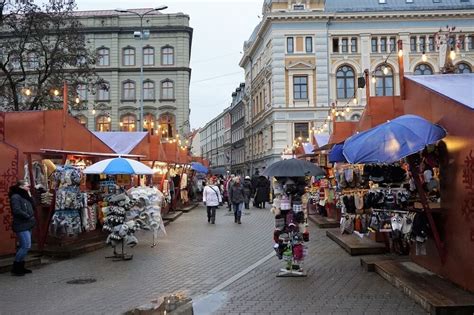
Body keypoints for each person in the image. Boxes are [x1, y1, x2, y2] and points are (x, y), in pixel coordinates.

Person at [9, 180, 36, 276]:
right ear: (20, 186)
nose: (29, 187)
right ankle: (16, 267)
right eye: (27, 186)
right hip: (21, 224)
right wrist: (27, 216)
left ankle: (21, 266)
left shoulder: (25, 196)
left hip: (28, 223)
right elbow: (16, 210)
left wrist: (29, 195)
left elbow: (33, 205)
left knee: (24, 246)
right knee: (26, 246)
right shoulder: (16, 196)